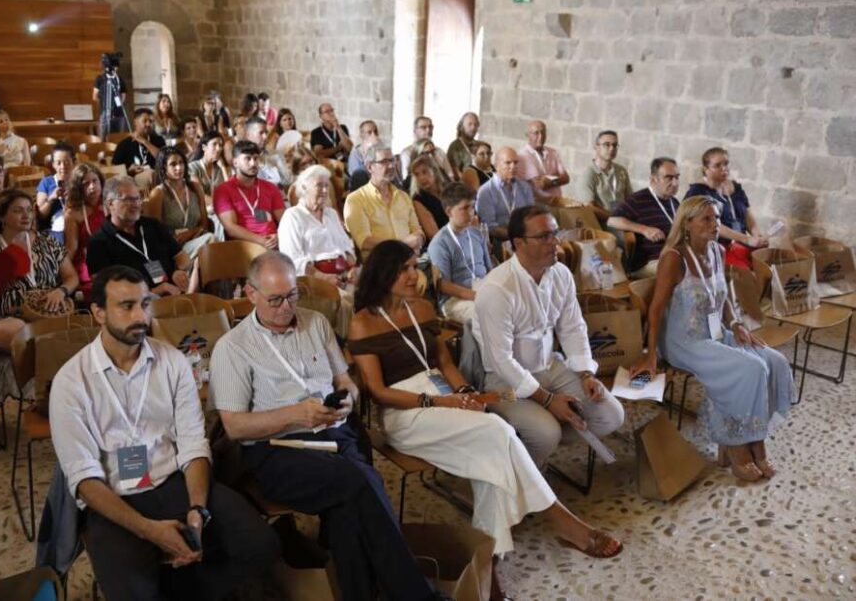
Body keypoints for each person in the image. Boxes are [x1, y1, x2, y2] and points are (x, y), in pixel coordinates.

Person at [349, 240, 623, 562]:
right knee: (498, 431)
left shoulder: (422, 308)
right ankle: (563, 522)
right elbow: (379, 391)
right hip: (405, 411)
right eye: (404, 269)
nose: (414, 276)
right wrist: (441, 403)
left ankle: (488, 550)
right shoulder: (363, 322)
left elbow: (446, 364)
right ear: (383, 274)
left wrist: (467, 395)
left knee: (489, 450)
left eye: (414, 267)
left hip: (443, 395)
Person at [209, 253, 448, 601]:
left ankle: (361, 593)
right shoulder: (232, 348)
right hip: (278, 447)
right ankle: (417, 594)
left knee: (348, 506)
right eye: (275, 299)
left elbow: (345, 380)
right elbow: (234, 427)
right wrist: (295, 415)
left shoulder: (316, 322)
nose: (285, 307)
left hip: (333, 430)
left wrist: (349, 399)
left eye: (292, 295)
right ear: (250, 293)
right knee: (360, 481)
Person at [50, 265, 279, 600]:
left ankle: (181, 587)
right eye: (126, 306)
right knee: (135, 592)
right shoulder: (71, 382)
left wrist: (197, 511)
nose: (140, 315)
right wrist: (149, 530)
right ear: (98, 313)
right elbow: (84, 480)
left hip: (173, 482)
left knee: (262, 545)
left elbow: (193, 445)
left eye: (145, 304)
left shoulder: (171, 360)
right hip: (115, 498)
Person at [630, 196, 794, 481]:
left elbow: (724, 297)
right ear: (687, 223)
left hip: (716, 333)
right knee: (750, 368)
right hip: (685, 342)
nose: (715, 224)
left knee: (774, 360)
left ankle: (752, 438)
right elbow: (655, 311)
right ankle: (737, 444)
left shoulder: (717, 251)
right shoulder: (674, 258)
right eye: (707, 218)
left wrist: (737, 323)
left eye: (717, 218)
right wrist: (651, 354)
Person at [473, 205, 625, 467]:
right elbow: (501, 360)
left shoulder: (561, 274)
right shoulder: (497, 288)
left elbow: (573, 327)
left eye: (556, 233)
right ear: (518, 243)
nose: (556, 242)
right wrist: (548, 400)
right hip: (503, 383)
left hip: (550, 366)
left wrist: (586, 373)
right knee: (546, 434)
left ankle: (530, 441)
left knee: (611, 415)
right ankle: (518, 471)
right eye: (544, 236)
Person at [0, 188, 79, 403]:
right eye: (18, 211)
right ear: (1, 216)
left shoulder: (49, 243)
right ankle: (47, 392)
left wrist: (60, 290)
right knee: (17, 332)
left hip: (50, 312)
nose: (27, 215)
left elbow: (72, 277)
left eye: (29, 210)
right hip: (10, 318)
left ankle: (54, 391)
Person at [279, 165, 358, 336]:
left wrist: (352, 269)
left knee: (379, 290)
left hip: (343, 277)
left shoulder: (331, 214)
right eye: (319, 186)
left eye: (326, 186)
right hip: (313, 282)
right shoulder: (292, 217)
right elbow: (294, 261)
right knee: (346, 303)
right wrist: (324, 278)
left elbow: (347, 247)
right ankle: (347, 350)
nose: (324, 190)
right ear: (304, 188)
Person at [87, 176, 193, 297]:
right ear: (111, 204)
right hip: (136, 307)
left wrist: (178, 272)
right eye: (128, 199)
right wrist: (154, 292)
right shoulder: (99, 242)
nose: (136, 204)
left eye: (138, 198)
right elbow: (106, 292)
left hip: (173, 295)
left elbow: (182, 257)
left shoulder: (152, 225)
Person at [343, 143, 424, 259]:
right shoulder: (356, 200)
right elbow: (365, 241)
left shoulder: (403, 197)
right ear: (369, 167)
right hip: (379, 266)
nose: (391, 165)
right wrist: (402, 245)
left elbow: (417, 230)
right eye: (384, 161)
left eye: (392, 160)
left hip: (408, 262)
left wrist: (419, 239)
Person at [427, 183, 492, 324]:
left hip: (482, 288)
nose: (471, 213)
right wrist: (475, 295)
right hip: (455, 299)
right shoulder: (440, 243)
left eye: (472, 206)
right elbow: (443, 285)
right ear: (449, 211)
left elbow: (489, 269)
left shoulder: (476, 234)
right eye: (464, 208)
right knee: (486, 314)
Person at [608, 157, 681, 277]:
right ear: (653, 180)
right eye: (668, 178)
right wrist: (644, 229)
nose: (675, 183)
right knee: (677, 271)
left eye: (677, 177)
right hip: (650, 262)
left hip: (673, 255)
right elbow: (612, 220)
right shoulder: (638, 199)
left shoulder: (675, 202)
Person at [686, 147, 768, 253]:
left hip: (741, 244)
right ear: (706, 170)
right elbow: (710, 224)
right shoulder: (698, 191)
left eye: (726, 164)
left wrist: (757, 235)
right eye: (717, 165)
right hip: (715, 247)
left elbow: (747, 215)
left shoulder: (735, 187)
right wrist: (746, 239)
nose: (724, 168)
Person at [213, 141, 285, 249]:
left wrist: (279, 237)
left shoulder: (271, 187)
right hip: (245, 247)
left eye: (256, 158)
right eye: (248, 159)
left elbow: (285, 220)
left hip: (274, 242)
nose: (253, 163)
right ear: (235, 163)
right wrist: (261, 241)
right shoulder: (223, 191)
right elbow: (231, 228)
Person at [149, 146, 215, 259]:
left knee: (210, 240)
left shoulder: (195, 187)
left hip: (198, 238)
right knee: (211, 240)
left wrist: (190, 233)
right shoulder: (158, 193)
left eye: (181, 163)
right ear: (164, 167)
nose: (179, 167)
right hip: (173, 246)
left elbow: (204, 224)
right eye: (173, 164)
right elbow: (156, 233)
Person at [474, 146, 533, 251]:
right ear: (496, 165)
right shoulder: (486, 191)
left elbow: (531, 216)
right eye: (508, 163)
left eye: (516, 162)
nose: (513, 166)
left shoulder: (525, 187)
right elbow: (490, 228)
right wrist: (516, 237)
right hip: (499, 243)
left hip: (525, 239)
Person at [63, 163, 106, 295]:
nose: (92, 187)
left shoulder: (112, 203)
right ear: (78, 189)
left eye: (95, 181)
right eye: (86, 184)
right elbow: (71, 248)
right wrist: (63, 274)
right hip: (87, 262)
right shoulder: (73, 213)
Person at [577, 130, 631, 223]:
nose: (611, 149)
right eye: (607, 144)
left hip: (624, 222)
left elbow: (630, 199)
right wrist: (615, 219)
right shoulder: (588, 174)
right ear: (596, 147)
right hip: (602, 226)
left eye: (615, 145)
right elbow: (589, 208)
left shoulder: (621, 171)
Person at [519, 120, 570, 204]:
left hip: (557, 203)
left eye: (543, 132)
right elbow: (540, 185)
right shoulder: (523, 156)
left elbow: (566, 178)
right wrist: (557, 177)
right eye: (536, 133)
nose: (541, 136)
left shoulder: (553, 152)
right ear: (528, 135)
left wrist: (550, 181)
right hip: (538, 207)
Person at [113, 108, 165, 189]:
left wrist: (145, 142)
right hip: (133, 178)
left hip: (157, 176)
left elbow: (163, 158)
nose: (148, 124)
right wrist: (129, 171)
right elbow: (116, 170)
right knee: (150, 175)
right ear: (135, 122)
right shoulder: (124, 144)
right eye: (145, 121)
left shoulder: (158, 140)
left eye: (151, 121)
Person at [36, 143, 75, 243]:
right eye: (58, 163)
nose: (63, 166)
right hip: (57, 224)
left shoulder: (78, 181)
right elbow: (40, 215)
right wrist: (51, 198)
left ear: (73, 162)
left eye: (67, 162)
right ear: (53, 164)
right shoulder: (47, 182)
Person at [409, 154, 450, 242]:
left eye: (425, 172)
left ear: (434, 171)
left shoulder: (447, 190)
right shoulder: (418, 199)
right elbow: (433, 234)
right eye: (417, 174)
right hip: (442, 244)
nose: (422, 178)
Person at [188, 131, 231, 201]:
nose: (218, 148)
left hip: (221, 206)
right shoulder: (192, 167)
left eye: (220, 145)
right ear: (204, 147)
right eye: (214, 144)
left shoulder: (219, 168)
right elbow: (200, 195)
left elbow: (230, 191)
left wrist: (223, 168)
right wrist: (221, 206)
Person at [93, 56, 128, 139]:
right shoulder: (100, 79)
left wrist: (118, 105)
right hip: (104, 113)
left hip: (119, 114)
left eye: (116, 67)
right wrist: (103, 106)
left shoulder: (119, 79)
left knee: (119, 137)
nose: (115, 69)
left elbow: (123, 96)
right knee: (103, 137)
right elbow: (95, 96)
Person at [447, 112, 482, 178]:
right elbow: (456, 172)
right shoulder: (455, 147)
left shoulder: (479, 145)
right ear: (461, 127)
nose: (473, 127)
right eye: (470, 124)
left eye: (476, 125)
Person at [400, 116, 435, 180]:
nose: (428, 130)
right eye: (423, 127)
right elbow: (406, 178)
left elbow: (450, 175)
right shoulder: (407, 153)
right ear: (415, 131)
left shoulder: (439, 152)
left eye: (430, 127)